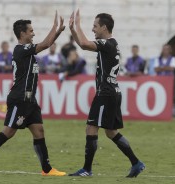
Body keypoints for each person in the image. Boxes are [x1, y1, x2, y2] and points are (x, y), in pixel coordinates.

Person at [0, 11, 66, 176]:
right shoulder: (20, 50)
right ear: (22, 33)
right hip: (19, 98)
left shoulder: (28, 51)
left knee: (39, 131)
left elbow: (45, 44)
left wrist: (58, 32)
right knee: (9, 131)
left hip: (30, 99)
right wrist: (54, 28)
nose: (33, 33)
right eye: (31, 31)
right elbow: (45, 44)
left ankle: (47, 169)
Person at [68, 10, 145, 178]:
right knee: (111, 132)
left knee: (91, 127)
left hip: (106, 94)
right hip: (113, 92)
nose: (93, 29)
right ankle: (136, 163)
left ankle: (87, 169)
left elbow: (84, 43)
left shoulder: (107, 44)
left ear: (104, 27)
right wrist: (73, 30)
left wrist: (77, 25)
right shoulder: (112, 44)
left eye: (95, 26)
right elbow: (83, 44)